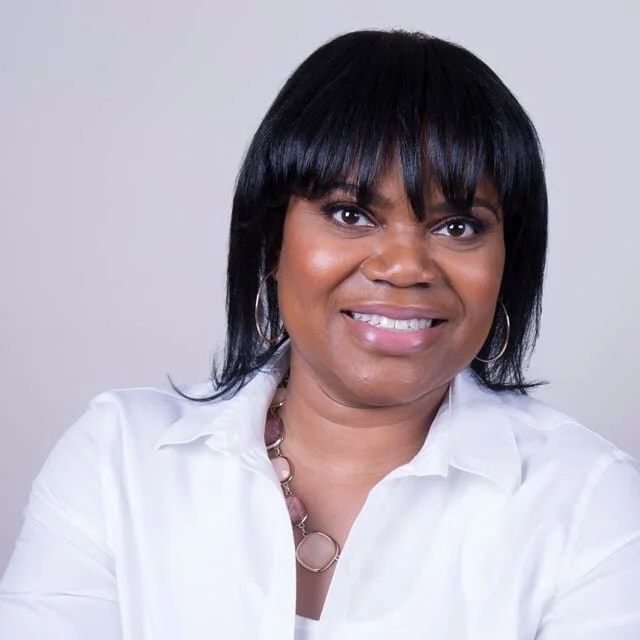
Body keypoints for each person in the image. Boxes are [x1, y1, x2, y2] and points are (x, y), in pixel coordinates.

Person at [1, 28, 639, 640]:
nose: (405, 267)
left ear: (507, 265)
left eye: (458, 227)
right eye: (350, 213)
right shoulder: (118, 460)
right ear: (270, 241)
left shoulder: (591, 503)